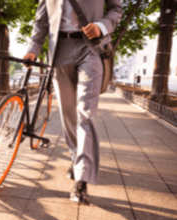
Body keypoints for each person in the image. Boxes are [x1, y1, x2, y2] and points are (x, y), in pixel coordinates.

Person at [24, 0, 123, 204]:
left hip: (92, 48)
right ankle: (76, 158)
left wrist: (102, 26)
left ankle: (82, 178)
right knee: (68, 113)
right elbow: (42, 21)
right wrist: (33, 48)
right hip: (60, 50)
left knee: (85, 113)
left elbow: (116, 8)